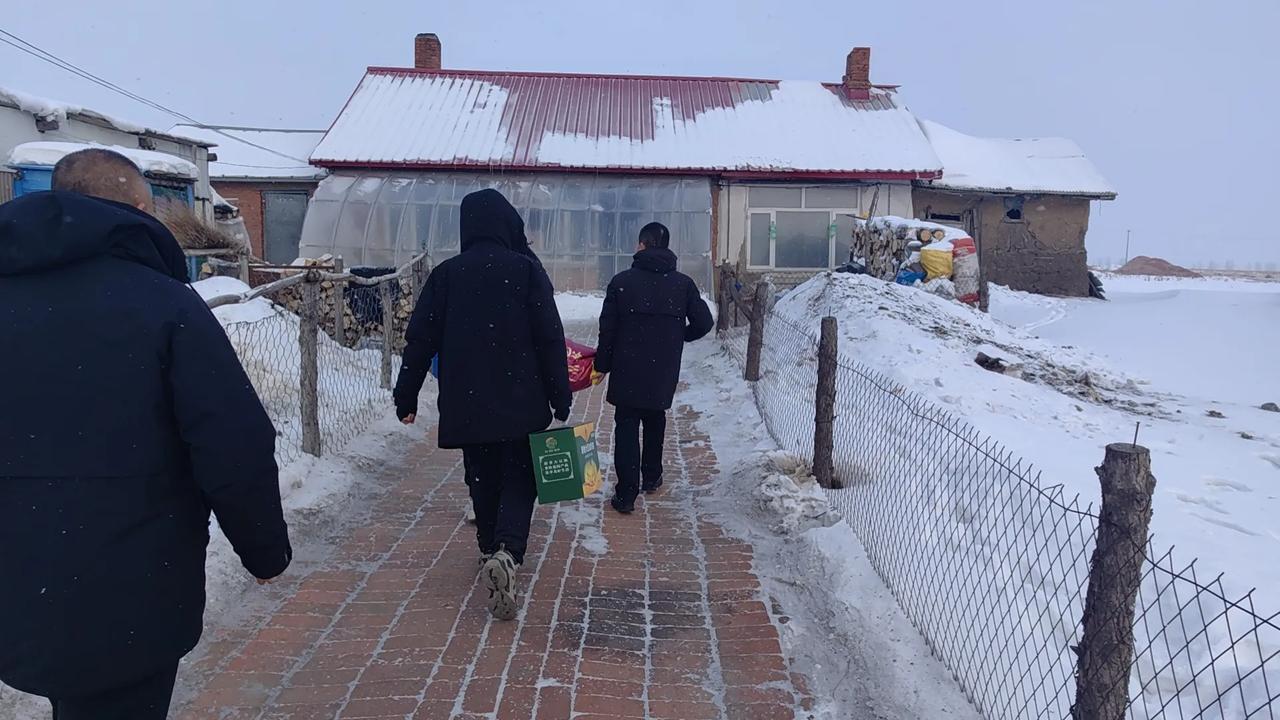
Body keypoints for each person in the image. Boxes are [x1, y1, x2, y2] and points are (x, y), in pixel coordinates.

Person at [0, 149, 292, 719]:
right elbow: (232, 441)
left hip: (18, 571)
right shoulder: (163, 305)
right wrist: (264, 549)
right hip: (133, 578)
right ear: (138, 209)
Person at [395, 188, 571, 621]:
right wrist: (559, 393)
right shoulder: (526, 272)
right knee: (519, 476)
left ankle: (490, 547)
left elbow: (420, 341)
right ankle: (508, 551)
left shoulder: (447, 275)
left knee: (481, 474)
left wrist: (406, 395)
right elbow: (550, 338)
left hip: (468, 401)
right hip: (521, 399)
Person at [595, 222, 714, 514]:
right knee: (654, 417)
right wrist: (677, 337)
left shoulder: (622, 281)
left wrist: (602, 365)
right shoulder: (682, 284)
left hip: (627, 367)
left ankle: (625, 494)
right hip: (662, 367)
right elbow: (704, 323)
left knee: (626, 424)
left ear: (642, 245)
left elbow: (607, 329)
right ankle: (651, 476)